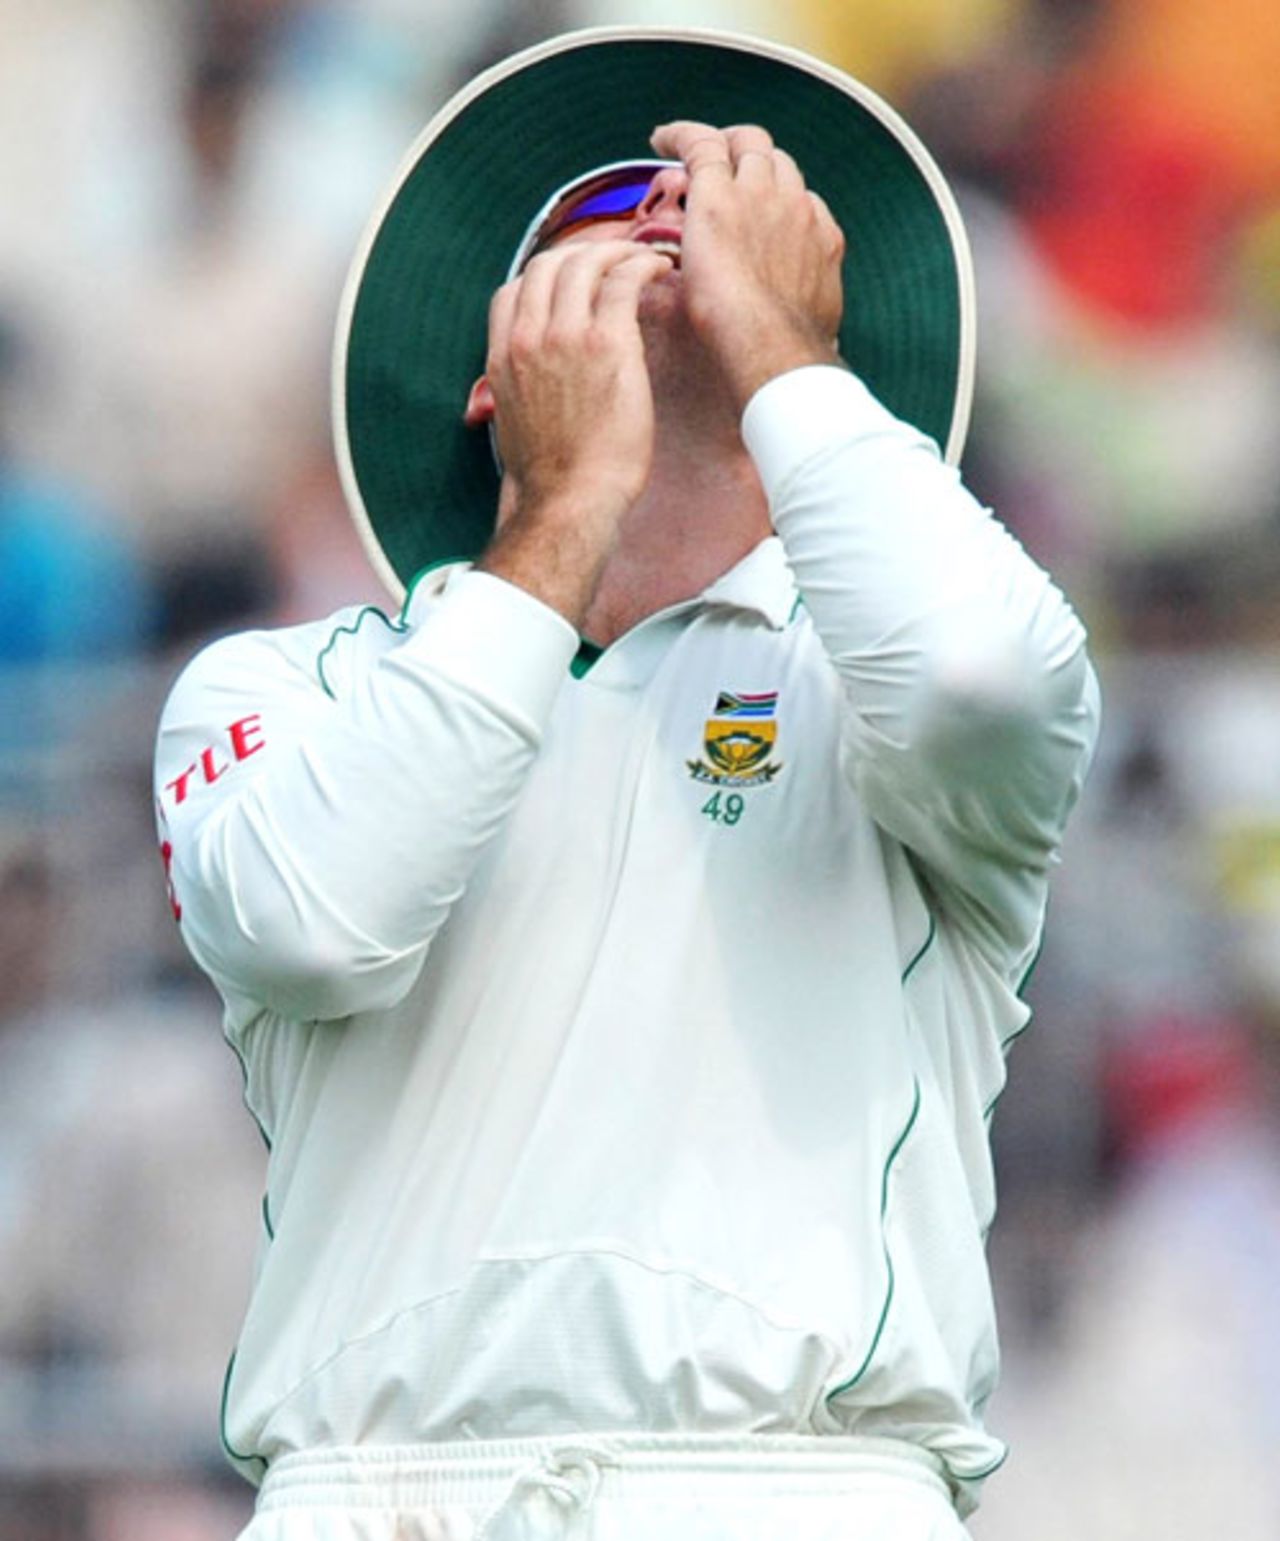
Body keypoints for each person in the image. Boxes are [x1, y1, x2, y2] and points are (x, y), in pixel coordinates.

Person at [154, 29, 1099, 1541]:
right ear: (489, 371)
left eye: (719, 211)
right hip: (373, 1495)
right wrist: (562, 511)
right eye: (604, 217)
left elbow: (986, 680)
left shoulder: (882, 686)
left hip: (787, 1493)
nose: (671, 211)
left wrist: (791, 353)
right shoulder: (285, 686)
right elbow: (318, 924)